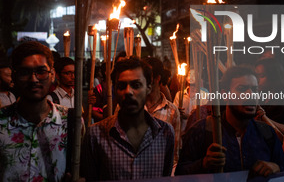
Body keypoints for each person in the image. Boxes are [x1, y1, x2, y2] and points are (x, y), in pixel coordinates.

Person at [176, 66, 284, 177]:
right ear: (225, 95)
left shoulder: (266, 133)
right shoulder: (202, 131)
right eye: (242, 89)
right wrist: (203, 164)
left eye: (255, 90)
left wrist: (276, 167)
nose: (251, 94)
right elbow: (180, 173)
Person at [80, 57, 175, 180]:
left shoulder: (165, 133)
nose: (128, 92)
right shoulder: (95, 135)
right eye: (121, 86)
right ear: (114, 89)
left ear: (149, 88)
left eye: (136, 85)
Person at [0, 41, 70, 181]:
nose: (33, 79)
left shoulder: (71, 122)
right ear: (14, 77)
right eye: (24, 72)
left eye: (41, 71)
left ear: (53, 74)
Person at [143, 57, 181, 167]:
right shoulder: (131, 106)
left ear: (157, 78)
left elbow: (174, 154)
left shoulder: (172, 111)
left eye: (147, 77)